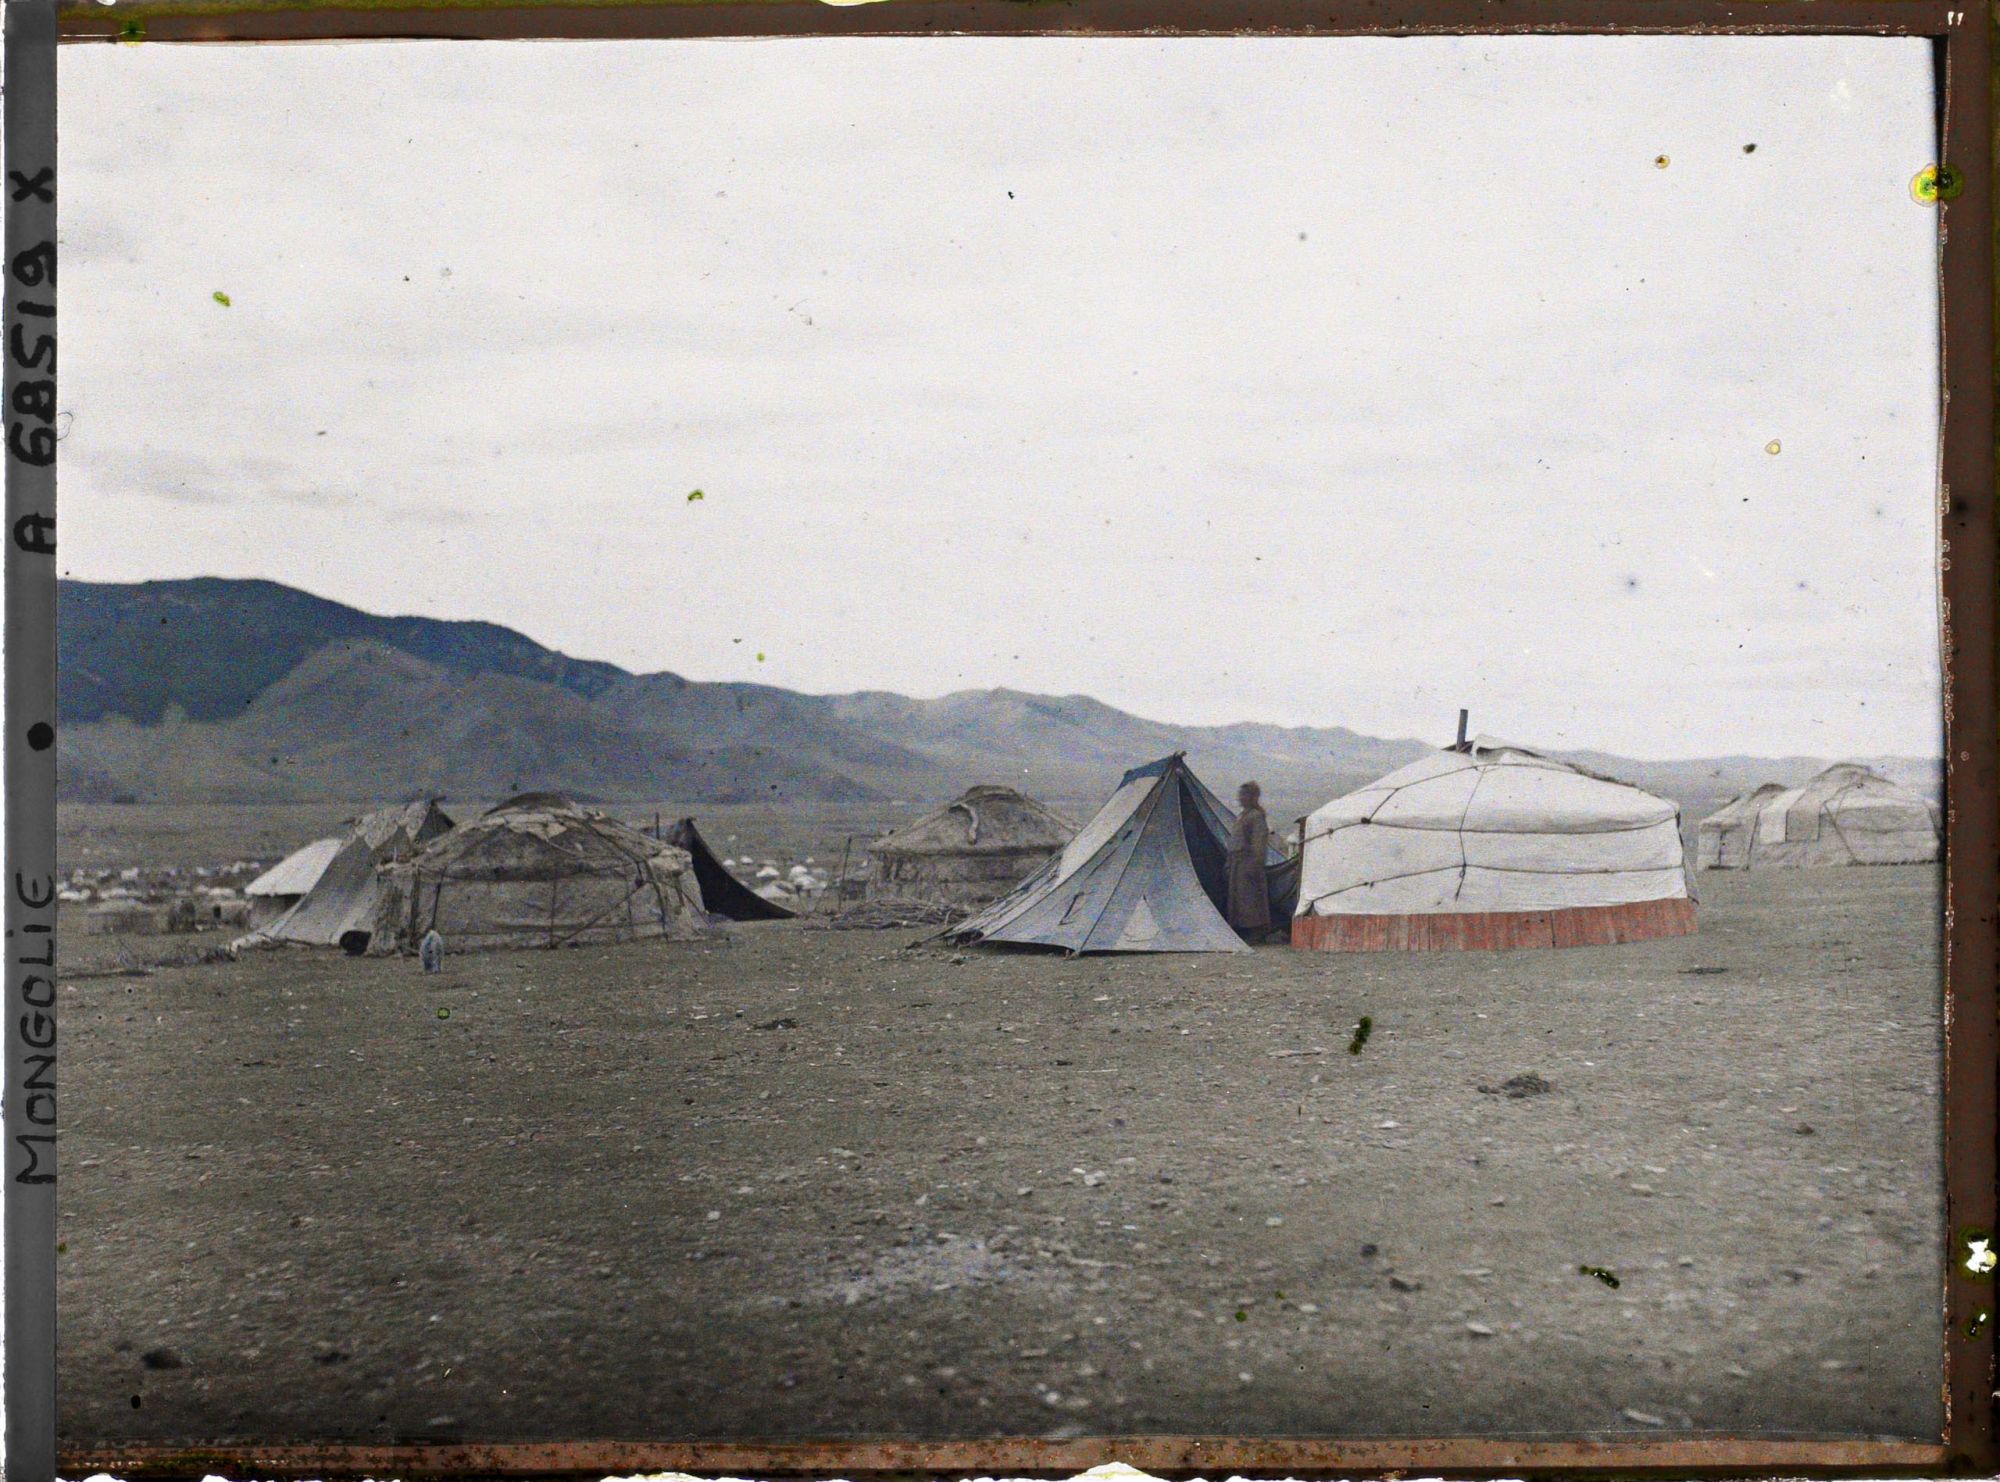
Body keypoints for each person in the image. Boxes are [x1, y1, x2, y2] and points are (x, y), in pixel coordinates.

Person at [1227, 781, 1273, 941]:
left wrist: (1255, 864)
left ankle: (1255, 931)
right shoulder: (1242, 816)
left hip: (1248, 863)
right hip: (1237, 862)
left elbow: (1259, 842)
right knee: (1239, 899)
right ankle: (1243, 929)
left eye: (1244, 794)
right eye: (1240, 794)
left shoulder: (1256, 816)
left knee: (1250, 899)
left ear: (1252, 797)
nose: (1240, 798)